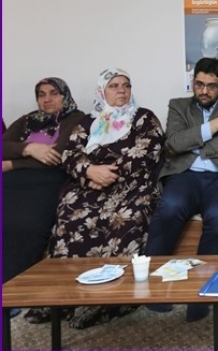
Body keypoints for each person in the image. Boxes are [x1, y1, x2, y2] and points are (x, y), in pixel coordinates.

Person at [24, 69, 164, 329]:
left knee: (126, 218)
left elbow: (148, 151)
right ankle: (64, 296)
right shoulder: (88, 121)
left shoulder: (144, 117)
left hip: (131, 186)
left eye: (126, 85)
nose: (121, 90)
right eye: (114, 85)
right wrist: (89, 172)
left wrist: (108, 172)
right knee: (71, 214)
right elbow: (70, 154)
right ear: (102, 91)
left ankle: (107, 300)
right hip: (90, 185)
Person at [144, 57, 218, 322]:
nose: (204, 91)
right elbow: (173, 142)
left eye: (211, 86)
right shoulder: (178, 105)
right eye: (199, 84)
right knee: (169, 208)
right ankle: (153, 289)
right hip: (185, 175)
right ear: (193, 82)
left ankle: (202, 295)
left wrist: (191, 143)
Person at [3, 78, 84, 288]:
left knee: (28, 227)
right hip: (11, 182)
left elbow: (58, 156)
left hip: (47, 180)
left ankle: (12, 287)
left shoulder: (76, 119)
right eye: (41, 94)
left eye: (54, 93)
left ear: (65, 96)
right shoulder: (26, 120)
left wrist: (11, 163)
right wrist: (29, 149)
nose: (47, 99)